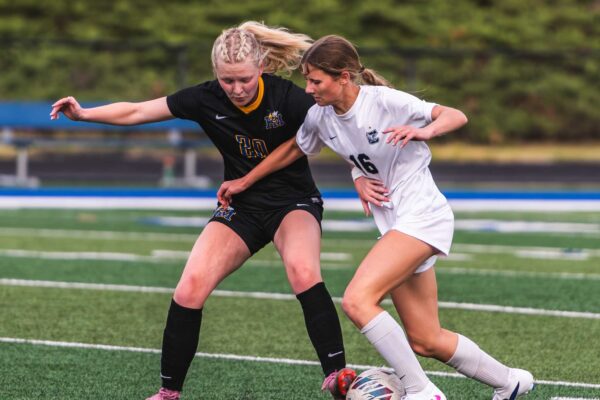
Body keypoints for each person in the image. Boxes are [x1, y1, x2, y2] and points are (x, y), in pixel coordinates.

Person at [217, 35, 535, 400]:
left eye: (316, 81)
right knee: (426, 338)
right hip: (397, 224)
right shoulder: (321, 117)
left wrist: (424, 130)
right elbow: (295, 149)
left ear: (344, 77)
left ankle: (421, 392)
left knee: (357, 300)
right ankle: (510, 381)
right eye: (307, 80)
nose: (308, 89)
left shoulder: (384, 102)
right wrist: (245, 181)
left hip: (422, 215)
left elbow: (455, 115)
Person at [50, 23, 356, 400]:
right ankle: (168, 392)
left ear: (261, 67)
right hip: (241, 207)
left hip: (292, 202)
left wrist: (362, 176)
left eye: (244, 79)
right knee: (189, 287)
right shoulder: (205, 98)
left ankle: (338, 376)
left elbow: (338, 128)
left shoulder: (287, 96)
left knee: (303, 271)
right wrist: (84, 114)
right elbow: (138, 110)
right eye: (227, 81)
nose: (237, 89)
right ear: (215, 74)